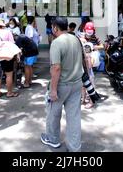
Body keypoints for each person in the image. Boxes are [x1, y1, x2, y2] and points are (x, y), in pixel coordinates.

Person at [41, 17, 83, 152]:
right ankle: (74, 147)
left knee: (53, 113)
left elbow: (56, 68)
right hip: (77, 83)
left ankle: (53, 139)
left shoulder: (56, 43)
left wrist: (53, 90)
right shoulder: (75, 39)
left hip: (62, 85)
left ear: (55, 28)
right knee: (74, 117)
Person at [0, 18, 18, 98]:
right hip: (7, 56)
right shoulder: (8, 32)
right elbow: (12, 44)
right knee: (9, 75)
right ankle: (9, 92)